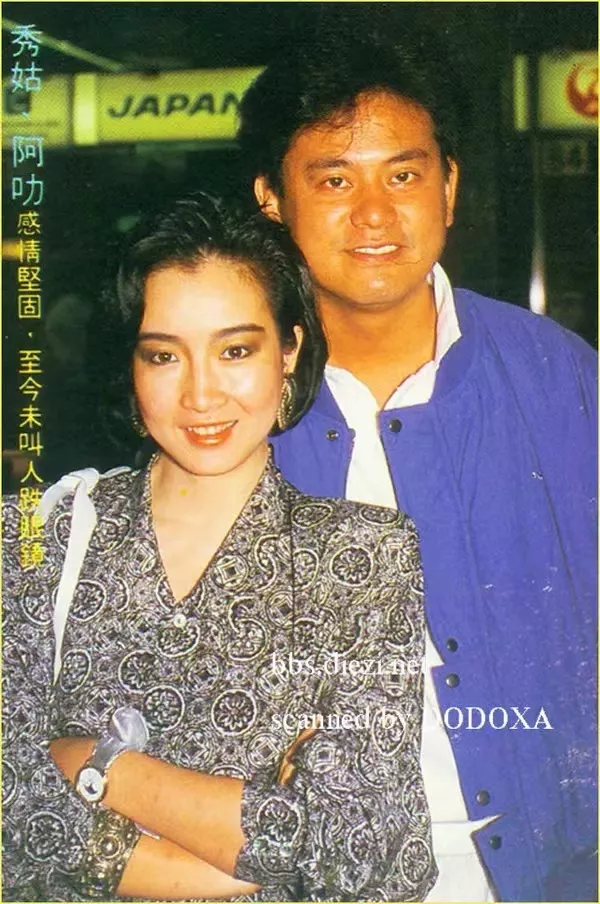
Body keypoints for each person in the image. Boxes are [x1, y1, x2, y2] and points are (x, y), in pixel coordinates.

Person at [236, 29, 598, 904]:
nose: (374, 214)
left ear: (450, 186)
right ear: (272, 199)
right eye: (334, 181)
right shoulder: (231, 409)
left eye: (403, 175)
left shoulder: (559, 378)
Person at [2, 194, 438, 902]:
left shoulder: (363, 558)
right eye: (163, 355)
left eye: (235, 350)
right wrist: (234, 860)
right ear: (130, 365)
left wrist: (99, 765)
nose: (202, 395)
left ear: (289, 351)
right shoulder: (35, 539)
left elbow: (370, 854)